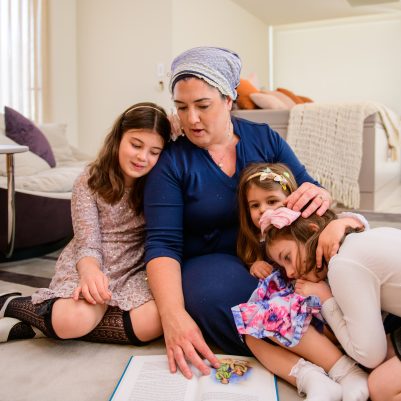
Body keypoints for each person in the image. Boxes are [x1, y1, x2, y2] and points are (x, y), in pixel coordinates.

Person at [143, 46, 363, 380]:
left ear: (229, 99)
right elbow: (162, 243)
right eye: (181, 107)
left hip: (277, 252)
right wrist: (173, 315)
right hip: (215, 260)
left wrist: (321, 196)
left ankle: (353, 331)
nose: (191, 119)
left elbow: (309, 188)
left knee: (343, 267)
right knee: (218, 299)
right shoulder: (173, 163)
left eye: (203, 106)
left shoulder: (262, 138)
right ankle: (330, 357)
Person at [0, 102, 171, 345]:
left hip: (134, 268)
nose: (143, 157)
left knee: (154, 321)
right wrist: (90, 273)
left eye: (155, 152)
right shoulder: (89, 180)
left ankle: (41, 324)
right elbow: (87, 242)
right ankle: (15, 304)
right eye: (136, 145)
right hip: (90, 259)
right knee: (73, 320)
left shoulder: (160, 181)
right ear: (119, 138)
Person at [233, 162, 369, 401]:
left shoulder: (320, 235)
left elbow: (358, 224)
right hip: (307, 311)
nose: (264, 210)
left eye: (272, 202)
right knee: (250, 329)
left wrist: (340, 224)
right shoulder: (270, 243)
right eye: (255, 205)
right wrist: (256, 264)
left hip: (340, 321)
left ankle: (347, 373)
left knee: (279, 318)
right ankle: (310, 378)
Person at [263, 208, 401, 401]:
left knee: (380, 385)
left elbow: (370, 355)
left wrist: (326, 300)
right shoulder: (356, 241)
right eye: (282, 266)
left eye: (288, 257)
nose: (290, 273)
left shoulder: (342, 265)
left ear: (312, 231)